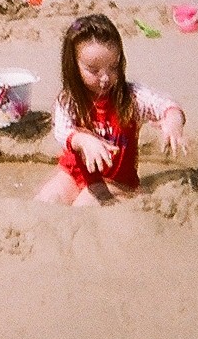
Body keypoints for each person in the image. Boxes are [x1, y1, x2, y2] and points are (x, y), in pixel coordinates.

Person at [36, 13, 185, 206]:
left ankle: (129, 197)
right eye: (94, 70)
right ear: (74, 67)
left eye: (113, 67)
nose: (105, 78)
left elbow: (164, 104)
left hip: (116, 182)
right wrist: (82, 140)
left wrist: (173, 120)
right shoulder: (69, 99)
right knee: (46, 200)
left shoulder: (131, 97)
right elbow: (62, 131)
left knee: (84, 205)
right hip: (74, 173)